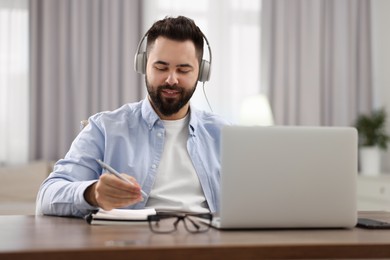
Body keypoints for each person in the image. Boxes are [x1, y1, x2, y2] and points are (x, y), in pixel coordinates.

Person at [36, 16, 229, 218]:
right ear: (143, 65)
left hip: (207, 242)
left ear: (201, 73)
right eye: (161, 68)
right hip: (134, 243)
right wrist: (92, 193)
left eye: (183, 70)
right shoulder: (105, 128)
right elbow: (47, 195)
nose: (171, 79)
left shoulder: (224, 134)